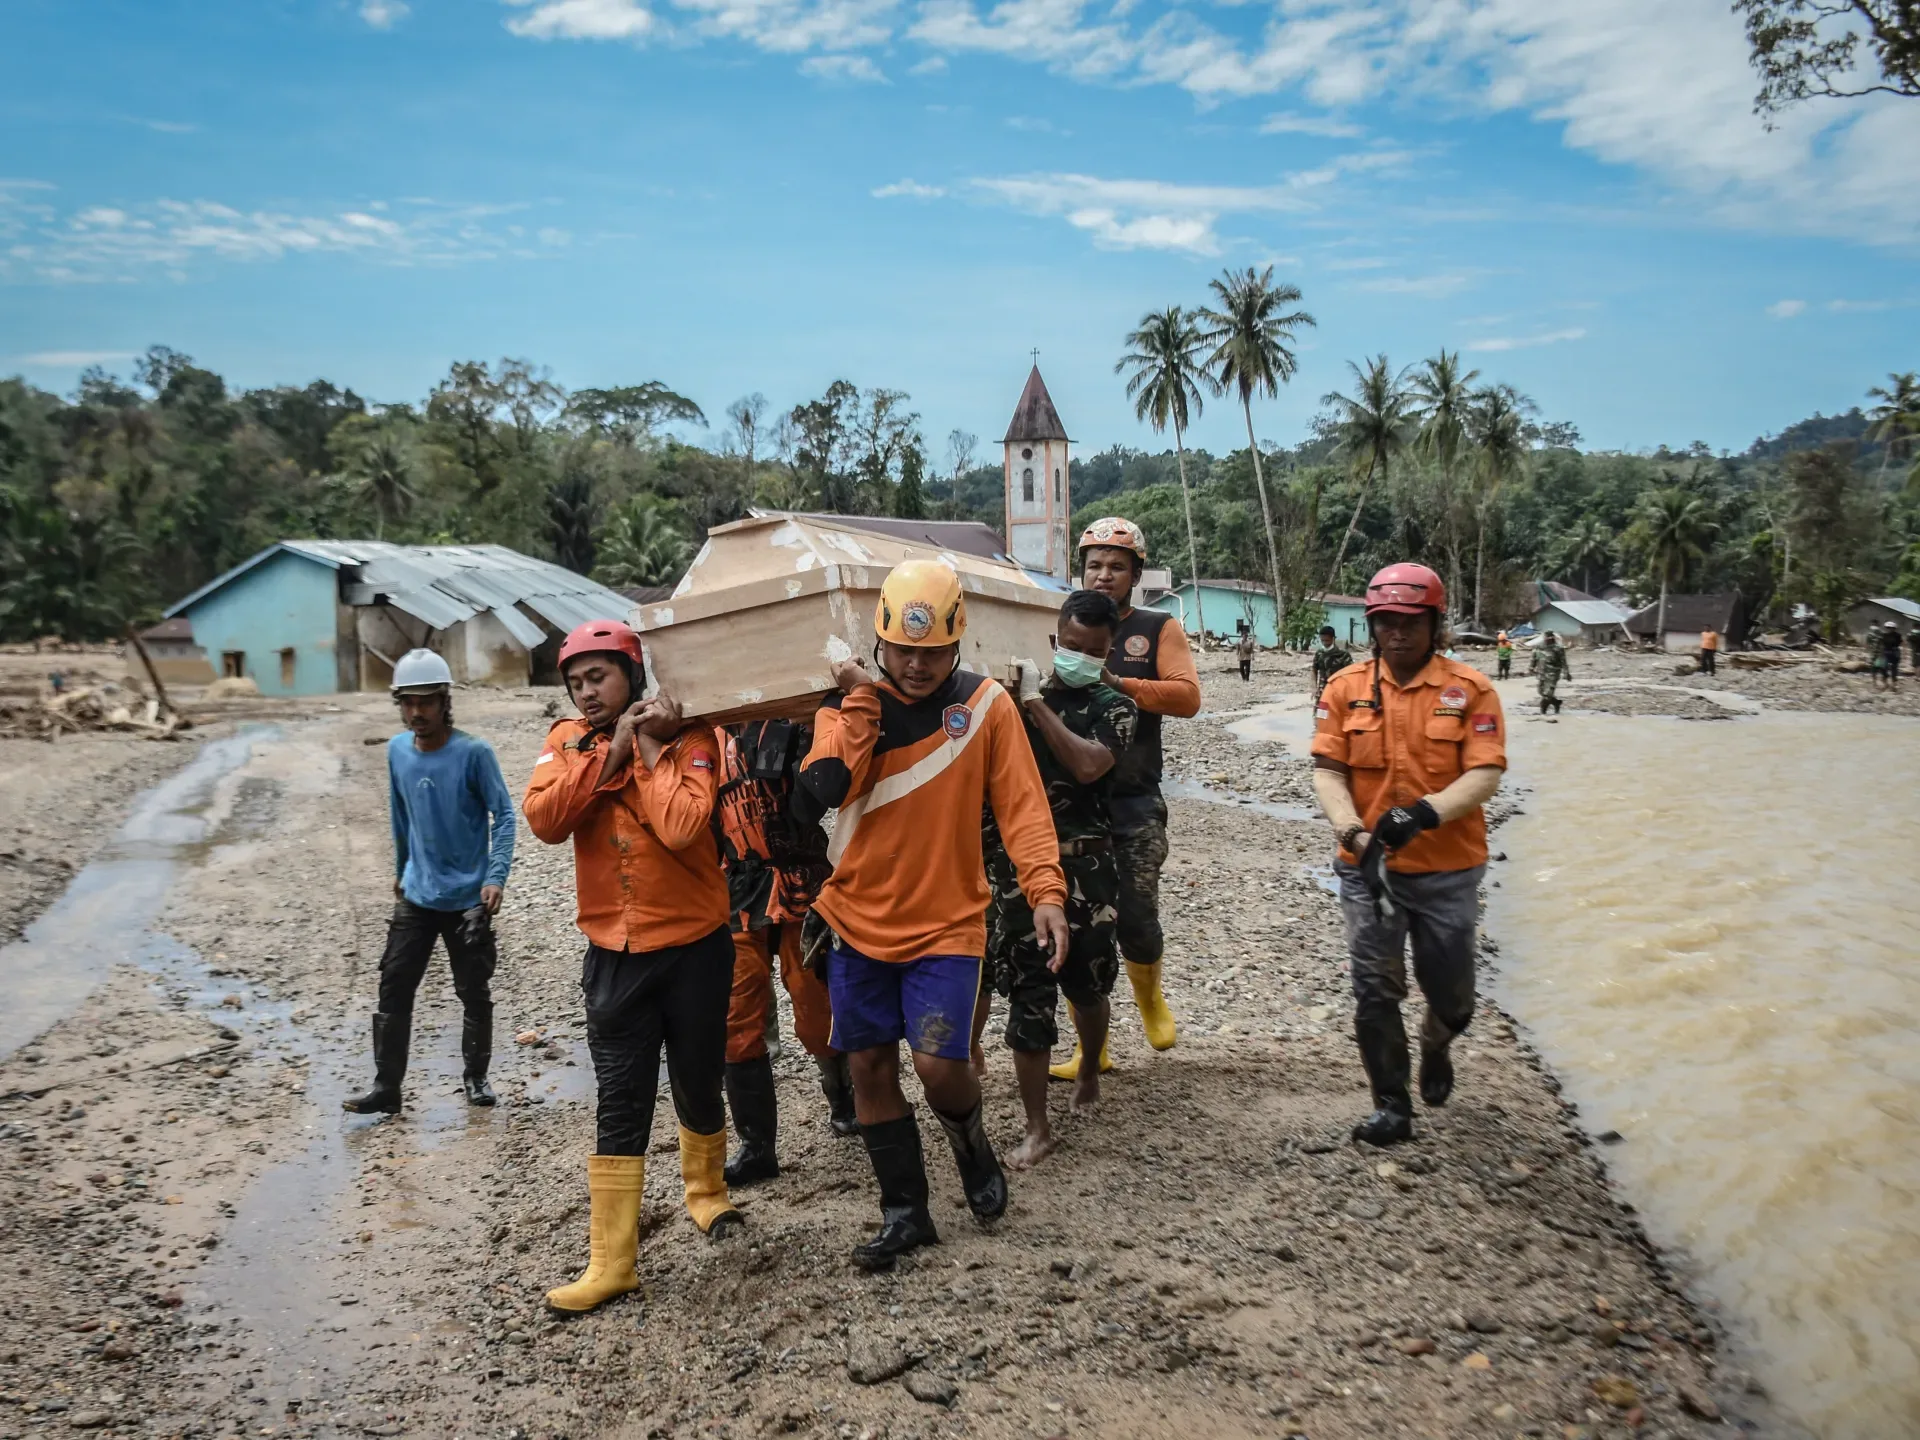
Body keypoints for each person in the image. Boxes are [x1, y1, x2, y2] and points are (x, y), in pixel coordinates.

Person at [793, 560, 1069, 1270]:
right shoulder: (847, 707)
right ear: (880, 641)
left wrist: (1045, 892)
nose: (917, 666)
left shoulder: (985, 708)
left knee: (940, 1063)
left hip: (948, 922)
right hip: (855, 918)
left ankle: (970, 1141)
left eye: (934, 652)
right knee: (870, 1064)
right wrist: (857, 700)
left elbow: (1024, 808)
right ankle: (905, 1211)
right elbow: (820, 787)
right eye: (903, 651)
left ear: (958, 643)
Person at [525, 620, 741, 1316]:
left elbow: (682, 828)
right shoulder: (564, 743)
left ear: (633, 675)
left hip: (697, 948)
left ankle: (706, 1196)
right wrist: (606, 755)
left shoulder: (695, 739)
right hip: (614, 956)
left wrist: (645, 749)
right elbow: (546, 820)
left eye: (600, 677)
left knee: (699, 1081)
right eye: (577, 682)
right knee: (620, 1103)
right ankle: (611, 1263)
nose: (587, 692)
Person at [1310, 563, 1506, 1147]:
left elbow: (1486, 772)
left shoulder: (1470, 690)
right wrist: (1353, 832)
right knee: (1374, 990)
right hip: (1368, 872)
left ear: (1434, 622)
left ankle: (1437, 1043)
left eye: (1410, 621)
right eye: (1385, 621)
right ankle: (1392, 1107)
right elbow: (1327, 771)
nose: (1397, 632)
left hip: (1449, 871)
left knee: (1454, 997)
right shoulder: (1345, 688)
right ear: (1372, 625)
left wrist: (1422, 813)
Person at [982, 590, 1137, 1169]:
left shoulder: (1114, 706)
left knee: (1089, 983)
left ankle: (1090, 1065)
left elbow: (1089, 764)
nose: (1079, 656)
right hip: (1020, 867)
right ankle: (1037, 1125)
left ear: (1108, 650)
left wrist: (1036, 707)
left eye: (1092, 651)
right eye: (1070, 646)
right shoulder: (1011, 698)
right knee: (1029, 988)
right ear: (1055, 636)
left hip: (1088, 867)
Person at [343, 648, 515, 1116]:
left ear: (444, 702)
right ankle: (387, 1087)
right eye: (408, 703)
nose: (417, 712)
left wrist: (495, 877)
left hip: (467, 900)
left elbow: (504, 817)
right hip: (417, 894)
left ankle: (476, 1077)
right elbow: (401, 816)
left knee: (473, 989)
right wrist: (401, 870)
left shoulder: (474, 753)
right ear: (399, 704)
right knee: (394, 984)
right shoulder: (398, 750)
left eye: (427, 702)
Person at [1064, 517, 1197, 1076]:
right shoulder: (1066, 619)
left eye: (1117, 566)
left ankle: (1149, 998)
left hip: (1134, 799)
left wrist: (1122, 686)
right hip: (1072, 800)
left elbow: (1187, 697)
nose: (1104, 575)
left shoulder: (1157, 626)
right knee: (1076, 926)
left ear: (1137, 573)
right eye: (1094, 564)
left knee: (1136, 917)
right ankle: (1089, 1048)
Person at [712, 718, 855, 1189]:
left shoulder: (796, 722)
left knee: (817, 1006)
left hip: (802, 880)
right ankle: (757, 1147)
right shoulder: (700, 739)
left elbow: (816, 801)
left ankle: (845, 1100)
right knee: (737, 1018)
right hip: (735, 888)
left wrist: (796, 748)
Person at [1313, 625, 1354, 702]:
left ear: (1333, 638)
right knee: (1321, 713)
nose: (1325, 643)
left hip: (1338, 691)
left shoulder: (1343, 654)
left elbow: (1351, 673)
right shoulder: (1319, 653)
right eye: (1322, 640)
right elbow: (1314, 669)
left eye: (1327, 640)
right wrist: (1314, 688)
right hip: (1323, 691)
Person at [1536, 631, 1572, 714]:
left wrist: (1566, 673)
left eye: (1548, 639)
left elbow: (1563, 661)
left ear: (1552, 639)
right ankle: (1556, 702)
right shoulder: (1541, 647)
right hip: (1542, 672)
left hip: (1553, 673)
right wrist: (1531, 667)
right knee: (1540, 691)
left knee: (1548, 694)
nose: (1546, 640)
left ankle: (1543, 712)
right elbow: (1535, 656)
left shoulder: (1558, 648)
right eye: (1545, 638)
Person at [1878, 621, 1903, 689]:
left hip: (1895, 652)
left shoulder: (1898, 635)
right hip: (1886, 652)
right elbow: (1881, 644)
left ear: (1894, 628)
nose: (1889, 629)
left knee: (1894, 668)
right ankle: (1885, 682)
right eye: (1888, 627)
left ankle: (1894, 683)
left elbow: (1900, 643)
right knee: (1883, 667)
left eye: (1891, 628)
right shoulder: (1884, 635)